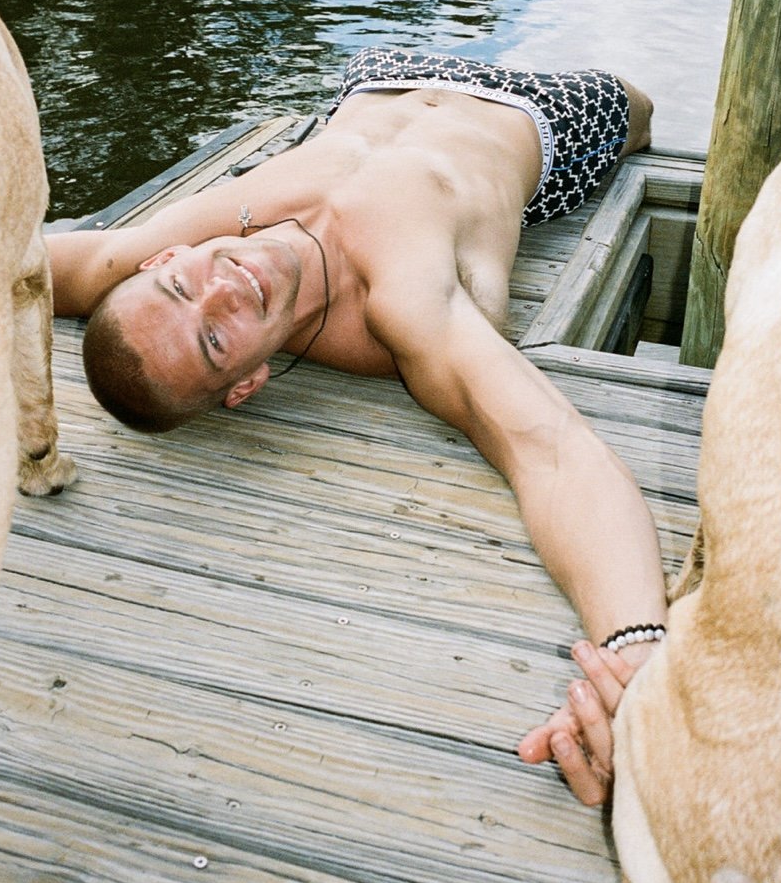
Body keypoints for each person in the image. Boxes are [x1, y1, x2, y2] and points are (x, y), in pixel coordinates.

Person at [47, 48, 668, 803]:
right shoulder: (403, 301)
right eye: (215, 339)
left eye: (181, 283)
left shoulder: (177, 249)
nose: (222, 291)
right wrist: (636, 651)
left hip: (384, 75)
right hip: (544, 113)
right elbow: (552, 451)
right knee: (636, 108)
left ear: (165, 257)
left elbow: (48, 266)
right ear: (246, 383)